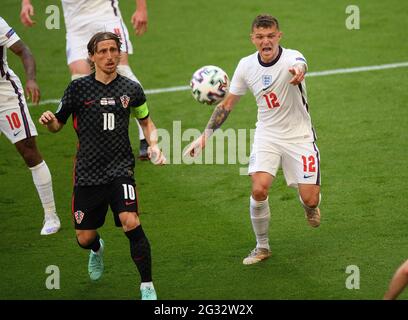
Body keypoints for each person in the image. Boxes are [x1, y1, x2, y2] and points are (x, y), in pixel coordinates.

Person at [185, 14, 322, 265]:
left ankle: (310, 206)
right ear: (253, 39)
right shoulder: (246, 66)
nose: (266, 41)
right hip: (267, 135)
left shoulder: (292, 57)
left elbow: (301, 64)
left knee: (310, 197)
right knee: (259, 189)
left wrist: (299, 71)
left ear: (279, 36)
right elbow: (227, 105)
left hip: (299, 136)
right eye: (260, 37)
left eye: (270, 36)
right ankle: (262, 247)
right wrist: (204, 137)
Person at [39, 32, 165, 300]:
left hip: (121, 170)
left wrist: (153, 144)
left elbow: (146, 122)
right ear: (92, 56)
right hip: (88, 173)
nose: (109, 56)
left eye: (113, 50)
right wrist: (49, 120)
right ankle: (97, 249)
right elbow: (57, 125)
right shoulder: (78, 89)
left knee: (130, 221)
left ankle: (147, 285)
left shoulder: (131, 89)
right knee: (84, 238)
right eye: (103, 51)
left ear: (119, 52)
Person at [20, 0, 150, 159]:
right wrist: (26, 3)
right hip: (75, 24)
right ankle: (96, 140)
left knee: (121, 70)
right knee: (80, 79)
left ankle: (146, 134)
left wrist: (141, 8)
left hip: (105, 16)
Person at [0, 16, 60, 235]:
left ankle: (51, 214)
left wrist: (31, 79)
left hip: (4, 96)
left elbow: (23, 50)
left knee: (28, 149)